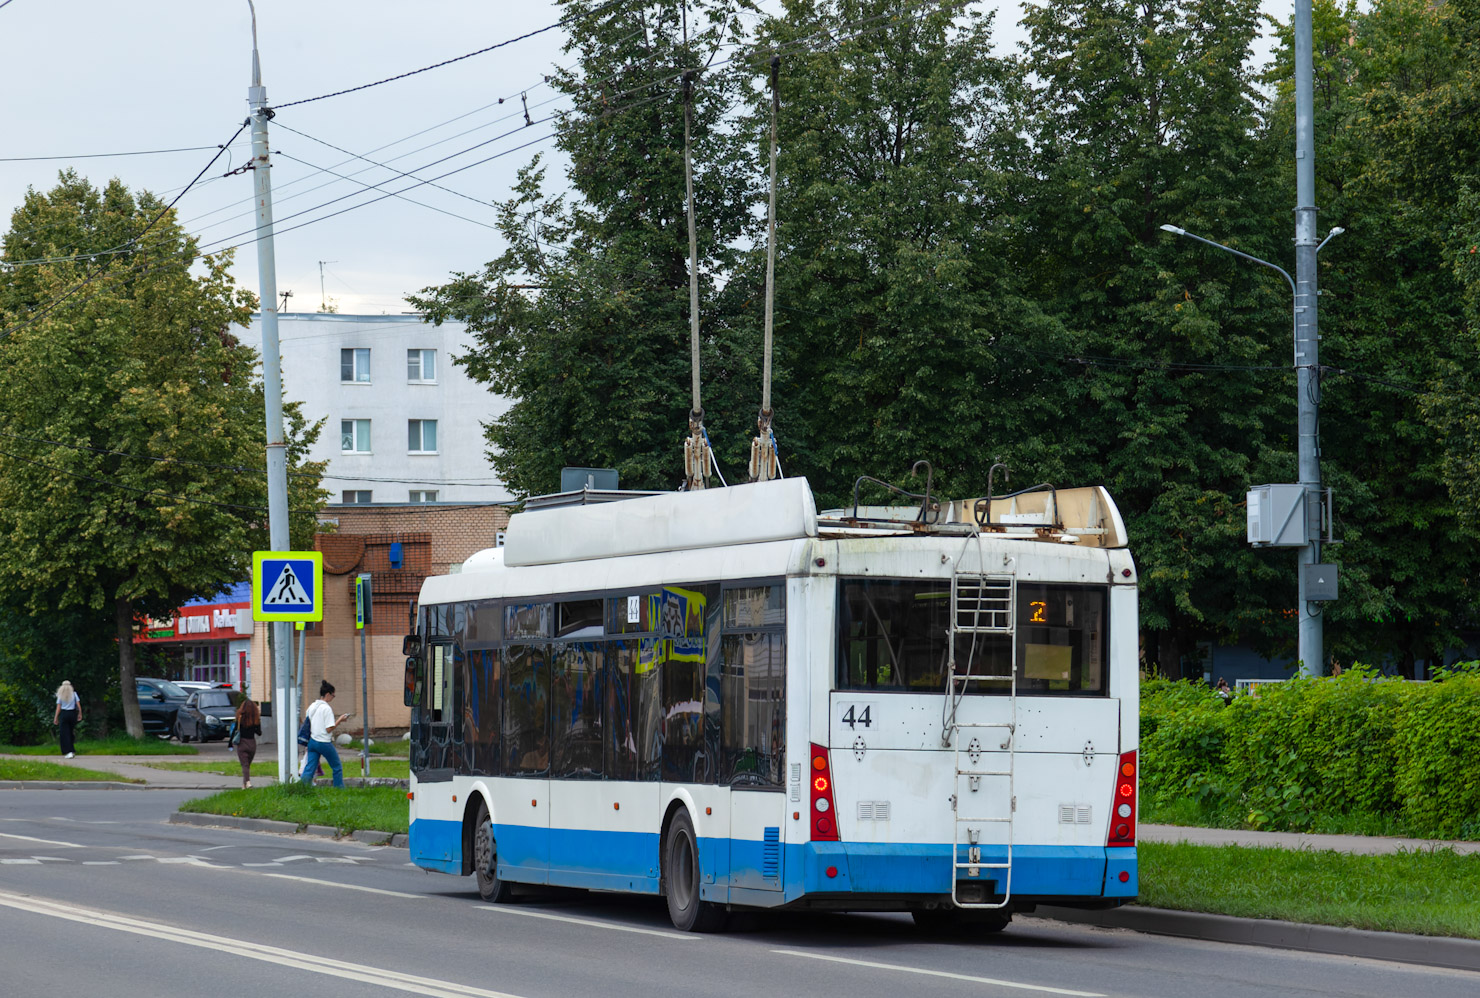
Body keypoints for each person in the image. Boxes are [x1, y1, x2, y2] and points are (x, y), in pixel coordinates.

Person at [300, 680, 350, 788]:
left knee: (310, 767)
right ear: (327, 694)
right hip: (323, 742)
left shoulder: (312, 706)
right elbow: (329, 729)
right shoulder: (326, 708)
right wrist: (340, 720)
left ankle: (302, 788)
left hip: (312, 742)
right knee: (337, 766)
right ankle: (339, 789)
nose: (333, 697)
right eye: (333, 695)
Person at [232, 698, 263, 789]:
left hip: (242, 743)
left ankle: (248, 782)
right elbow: (259, 733)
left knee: (244, 765)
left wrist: (230, 743)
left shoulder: (240, 717)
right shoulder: (255, 719)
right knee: (247, 765)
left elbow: (235, 730)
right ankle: (244, 786)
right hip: (252, 744)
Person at [52, 681, 82, 758]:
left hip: (64, 713)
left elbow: (58, 707)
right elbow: (78, 705)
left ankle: (68, 751)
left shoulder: (61, 695)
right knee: (70, 731)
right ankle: (71, 749)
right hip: (72, 713)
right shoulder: (74, 694)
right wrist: (79, 714)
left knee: (64, 733)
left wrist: (56, 717)